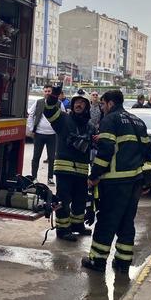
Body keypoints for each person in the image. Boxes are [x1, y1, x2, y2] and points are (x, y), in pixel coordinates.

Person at [82, 90, 151, 273]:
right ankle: (123, 262)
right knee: (127, 222)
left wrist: (94, 175)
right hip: (135, 181)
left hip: (115, 182)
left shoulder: (110, 120)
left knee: (107, 221)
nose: (102, 108)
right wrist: (147, 181)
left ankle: (97, 261)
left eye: (103, 104)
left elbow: (106, 151)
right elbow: (149, 153)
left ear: (110, 103)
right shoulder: (137, 121)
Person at [43, 87, 96, 241]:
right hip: (64, 169)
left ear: (87, 106)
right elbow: (49, 111)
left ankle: (77, 225)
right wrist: (53, 96)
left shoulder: (90, 127)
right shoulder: (63, 119)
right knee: (63, 200)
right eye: (76, 102)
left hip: (82, 171)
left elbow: (94, 150)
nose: (78, 104)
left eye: (82, 102)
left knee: (80, 200)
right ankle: (62, 229)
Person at [26, 86, 57, 185]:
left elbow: (64, 116)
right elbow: (30, 115)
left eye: (49, 91)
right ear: (43, 92)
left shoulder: (58, 103)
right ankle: (34, 178)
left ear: (52, 92)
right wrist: (32, 128)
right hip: (39, 134)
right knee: (36, 157)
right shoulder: (38, 102)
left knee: (52, 158)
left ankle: (50, 178)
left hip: (52, 135)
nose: (47, 93)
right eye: (45, 91)